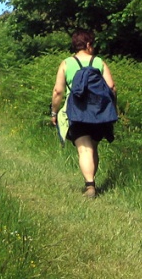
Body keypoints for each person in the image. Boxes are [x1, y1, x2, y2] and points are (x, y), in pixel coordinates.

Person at [50, 30, 116, 199]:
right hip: (99, 112)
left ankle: (90, 185)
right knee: (93, 147)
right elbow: (112, 87)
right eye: (92, 44)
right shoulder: (99, 62)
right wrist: (112, 108)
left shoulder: (66, 63)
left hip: (76, 111)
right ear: (87, 45)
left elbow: (58, 91)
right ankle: (93, 182)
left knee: (84, 149)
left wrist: (54, 112)